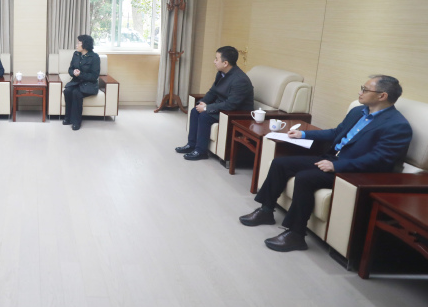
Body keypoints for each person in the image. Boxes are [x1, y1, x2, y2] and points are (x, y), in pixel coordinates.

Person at [240, 75, 412, 252]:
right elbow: (337, 132)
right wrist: (303, 134)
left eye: (365, 89)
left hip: (353, 172)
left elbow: (379, 159)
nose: (360, 92)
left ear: (382, 96)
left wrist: (337, 166)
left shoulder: (397, 125)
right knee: (280, 163)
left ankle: (296, 235)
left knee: (305, 178)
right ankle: (266, 211)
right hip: (332, 158)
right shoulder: (358, 111)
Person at [175, 46, 254, 160]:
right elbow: (213, 92)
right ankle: (191, 145)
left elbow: (231, 104)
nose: (214, 62)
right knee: (195, 111)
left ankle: (201, 151)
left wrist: (207, 108)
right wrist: (202, 103)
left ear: (225, 63)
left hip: (234, 113)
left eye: (217, 59)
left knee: (204, 116)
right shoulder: (221, 73)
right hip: (222, 108)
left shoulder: (240, 80)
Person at [63, 34, 100, 131]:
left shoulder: (94, 57)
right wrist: (73, 72)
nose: (77, 45)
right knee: (67, 91)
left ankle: (76, 121)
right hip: (76, 82)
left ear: (85, 45)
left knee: (76, 93)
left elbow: (94, 76)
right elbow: (70, 69)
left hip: (89, 84)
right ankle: (68, 117)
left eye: (79, 43)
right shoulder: (76, 54)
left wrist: (81, 74)